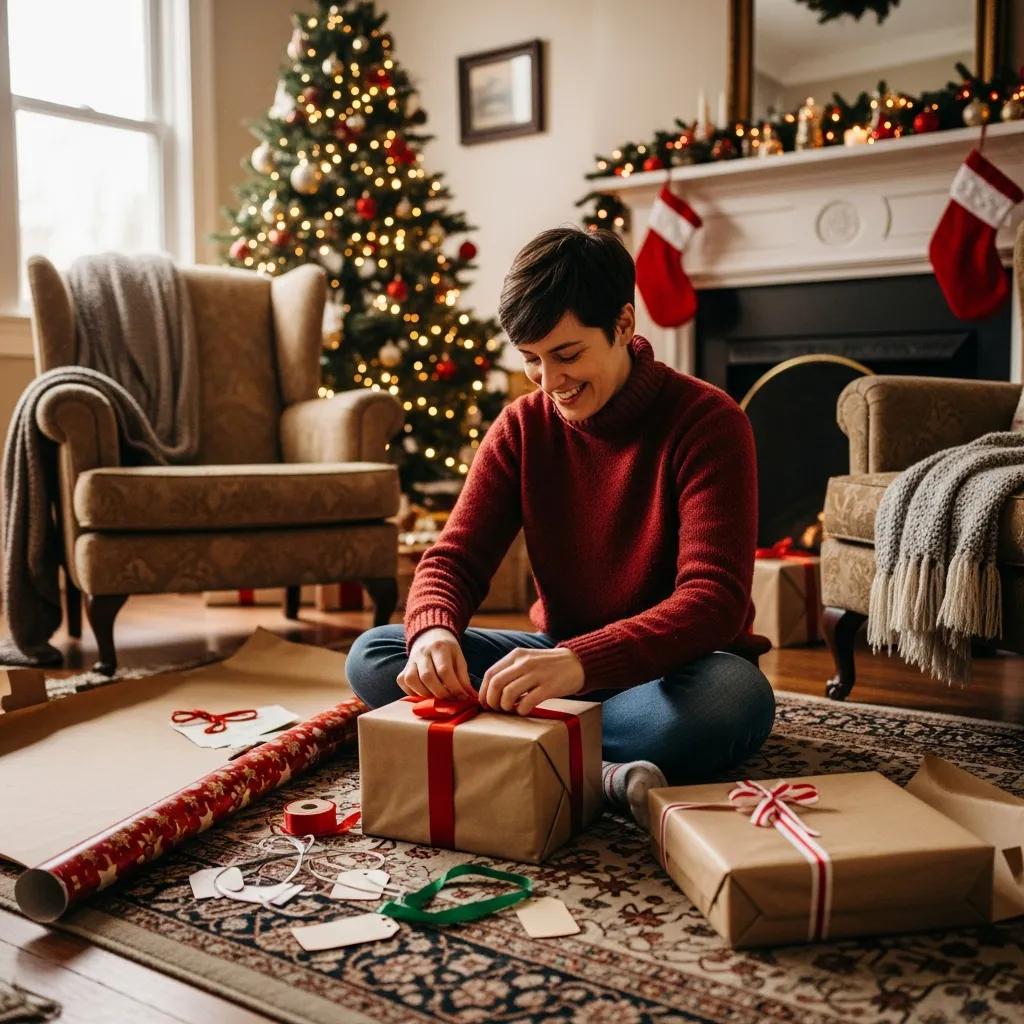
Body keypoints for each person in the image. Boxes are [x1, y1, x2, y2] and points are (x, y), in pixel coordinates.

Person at [347, 225, 775, 827]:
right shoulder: (522, 427)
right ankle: (597, 769)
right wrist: (433, 635)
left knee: (733, 698)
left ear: (623, 325)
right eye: (531, 360)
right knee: (377, 653)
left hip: (674, 670)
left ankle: (516, 746)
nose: (550, 383)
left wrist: (579, 661)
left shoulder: (709, 421)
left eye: (567, 355)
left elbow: (713, 602)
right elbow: (453, 559)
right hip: (557, 665)